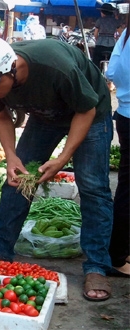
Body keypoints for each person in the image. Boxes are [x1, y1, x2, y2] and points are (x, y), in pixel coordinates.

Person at [0, 36, 113, 302]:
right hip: (46, 116)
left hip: (90, 111)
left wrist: (63, 158)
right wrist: (10, 156)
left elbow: (86, 110)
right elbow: (0, 116)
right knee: (18, 177)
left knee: (93, 187)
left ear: (12, 69)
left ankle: (97, 265)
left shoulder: (55, 66)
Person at [105, 19, 129, 277]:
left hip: (124, 113)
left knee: (126, 187)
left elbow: (111, 73)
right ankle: (117, 256)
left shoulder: (124, 37)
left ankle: (122, 251)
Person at [92, 3, 120, 70]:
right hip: (112, 44)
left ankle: (96, 74)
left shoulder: (99, 20)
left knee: (95, 61)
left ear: (103, 12)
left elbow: (95, 34)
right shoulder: (115, 21)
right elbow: (120, 33)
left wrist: (97, 40)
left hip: (100, 43)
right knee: (113, 61)